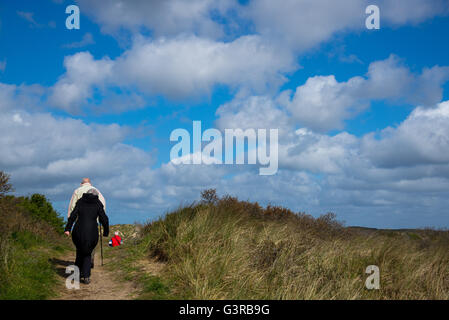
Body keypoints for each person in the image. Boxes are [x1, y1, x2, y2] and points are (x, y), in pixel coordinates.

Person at [64, 188, 109, 284]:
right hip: (92, 231)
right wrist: (106, 232)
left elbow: (73, 215)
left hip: (78, 230)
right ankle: (86, 276)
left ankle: (77, 274)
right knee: (88, 252)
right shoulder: (98, 203)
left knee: (80, 251)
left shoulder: (80, 202)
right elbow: (104, 219)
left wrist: (68, 229)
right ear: (96, 195)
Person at [68, 178, 105, 268]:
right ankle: (89, 260)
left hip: (80, 222)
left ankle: (80, 262)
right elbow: (102, 204)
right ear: (90, 183)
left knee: (80, 243)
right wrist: (101, 218)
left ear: (81, 183)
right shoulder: (97, 191)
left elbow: (72, 206)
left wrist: (70, 222)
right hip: (93, 221)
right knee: (91, 242)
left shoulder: (77, 191)